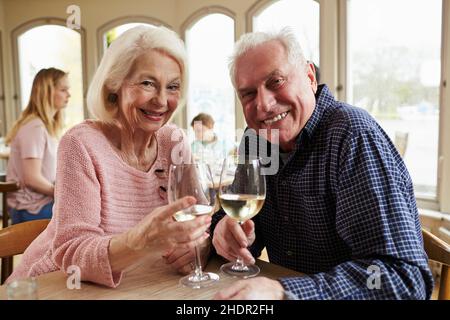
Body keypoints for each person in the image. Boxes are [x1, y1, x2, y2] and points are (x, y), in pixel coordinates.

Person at [211, 28, 433, 299]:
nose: (264, 105)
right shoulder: (256, 140)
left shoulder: (353, 135)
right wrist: (223, 232)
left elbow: (402, 279)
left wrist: (284, 292)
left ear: (309, 77)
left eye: (276, 81)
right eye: (248, 94)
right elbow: (241, 220)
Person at [6, 26, 211, 287]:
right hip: (53, 286)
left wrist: (201, 246)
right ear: (114, 84)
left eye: (172, 86)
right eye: (148, 83)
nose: (161, 100)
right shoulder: (81, 144)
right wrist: (141, 242)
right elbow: (73, 253)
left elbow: (202, 223)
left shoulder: (174, 141)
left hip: (140, 286)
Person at [5, 67, 70, 224]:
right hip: (31, 209)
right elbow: (32, 179)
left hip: (43, 203)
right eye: (63, 90)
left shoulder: (45, 127)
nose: (69, 94)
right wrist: (62, 193)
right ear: (47, 92)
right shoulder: (34, 127)